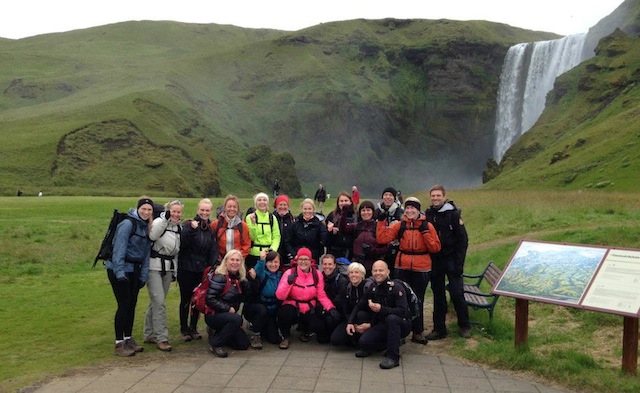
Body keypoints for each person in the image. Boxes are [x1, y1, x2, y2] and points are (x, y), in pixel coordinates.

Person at [376, 197, 441, 345]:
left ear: (418, 210)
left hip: (422, 267)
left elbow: (436, 248)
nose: (410, 211)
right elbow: (382, 238)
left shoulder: (427, 226)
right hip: (402, 266)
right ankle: (401, 332)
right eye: (408, 208)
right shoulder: (401, 225)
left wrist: (425, 233)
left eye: (413, 208)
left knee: (418, 299)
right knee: (400, 300)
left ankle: (418, 332)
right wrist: (380, 222)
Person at [106, 196, 154, 357]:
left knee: (132, 304)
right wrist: (119, 273)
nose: (146, 212)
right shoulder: (127, 224)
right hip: (119, 269)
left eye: (149, 210)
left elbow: (146, 253)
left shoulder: (147, 226)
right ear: (138, 208)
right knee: (124, 304)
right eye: (144, 209)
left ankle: (128, 338)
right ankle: (118, 344)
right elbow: (119, 248)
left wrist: (143, 276)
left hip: (136, 270)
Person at [346, 260, 412, 369]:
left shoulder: (396, 287)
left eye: (381, 270)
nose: (378, 273)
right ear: (371, 272)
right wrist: (350, 322)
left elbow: (403, 311)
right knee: (363, 342)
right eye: (375, 270)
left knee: (392, 318)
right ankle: (391, 343)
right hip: (383, 323)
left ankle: (393, 357)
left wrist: (382, 309)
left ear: (388, 272)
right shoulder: (373, 287)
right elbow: (359, 305)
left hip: (402, 324)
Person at [425, 184, 471, 339]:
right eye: (433, 196)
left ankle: (464, 326)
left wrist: (459, 264)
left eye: (438, 195)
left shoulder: (454, 214)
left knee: (457, 293)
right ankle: (439, 329)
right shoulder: (429, 214)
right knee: (438, 296)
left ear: (444, 196)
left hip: (452, 259)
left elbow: (463, 240)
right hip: (436, 260)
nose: (435, 198)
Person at [275, 248, 339, 349]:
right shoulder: (289, 273)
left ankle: (305, 331)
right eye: (301, 259)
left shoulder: (317, 274)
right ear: (297, 260)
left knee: (319, 327)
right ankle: (285, 336)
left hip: (309, 307)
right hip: (292, 305)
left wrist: (330, 308)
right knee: (284, 313)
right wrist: (288, 283)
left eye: (306, 259)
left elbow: (321, 295)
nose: (303, 262)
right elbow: (279, 296)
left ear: (311, 261)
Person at [143, 199, 183, 352]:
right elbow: (153, 236)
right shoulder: (160, 222)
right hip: (154, 266)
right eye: (173, 211)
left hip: (169, 267)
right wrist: (165, 220)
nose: (176, 214)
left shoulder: (178, 227)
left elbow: (176, 252)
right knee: (159, 302)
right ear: (168, 210)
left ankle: (148, 334)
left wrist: (175, 272)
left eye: (178, 212)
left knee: (156, 301)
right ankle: (162, 338)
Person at [177, 198, 218, 342]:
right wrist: (191, 231)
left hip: (201, 270)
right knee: (186, 299)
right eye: (202, 210)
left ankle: (193, 328)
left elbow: (213, 249)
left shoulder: (211, 229)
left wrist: (212, 265)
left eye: (207, 210)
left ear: (210, 211)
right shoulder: (189, 225)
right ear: (197, 210)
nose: (204, 212)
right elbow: (182, 245)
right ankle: (184, 329)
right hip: (186, 268)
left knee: (198, 298)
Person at [204, 249, 251, 357]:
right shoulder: (220, 277)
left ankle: (219, 333)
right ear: (226, 261)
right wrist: (227, 308)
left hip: (230, 317)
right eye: (232, 260)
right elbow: (209, 299)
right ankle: (215, 343)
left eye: (238, 260)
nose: (235, 263)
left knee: (243, 344)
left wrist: (247, 283)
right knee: (237, 320)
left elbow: (246, 297)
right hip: (214, 315)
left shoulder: (240, 278)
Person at [245, 250, 283, 349]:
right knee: (262, 310)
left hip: (272, 310)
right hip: (258, 308)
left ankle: (265, 328)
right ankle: (256, 334)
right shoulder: (262, 273)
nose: (273, 264)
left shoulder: (281, 275)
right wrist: (261, 259)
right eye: (270, 262)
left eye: (276, 262)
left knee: (274, 339)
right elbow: (256, 270)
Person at [330, 262, 373, 348]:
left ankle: (361, 340)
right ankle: (353, 339)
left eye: (357, 272)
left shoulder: (369, 287)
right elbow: (345, 309)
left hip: (367, 319)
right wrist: (351, 322)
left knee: (361, 314)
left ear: (362, 274)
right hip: (351, 318)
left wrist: (370, 324)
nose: (354, 275)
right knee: (335, 340)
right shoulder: (346, 288)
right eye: (351, 272)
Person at [317, 254, 349, 343]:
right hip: (324, 308)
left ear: (334, 265)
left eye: (330, 264)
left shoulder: (341, 280)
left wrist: (328, 307)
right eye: (325, 264)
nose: (327, 267)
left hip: (337, 311)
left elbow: (340, 301)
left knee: (331, 320)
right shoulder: (319, 277)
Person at [211, 195, 251, 262]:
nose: (232, 209)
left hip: (237, 262)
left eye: (234, 207)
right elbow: (212, 243)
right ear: (225, 208)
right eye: (229, 206)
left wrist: (238, 258)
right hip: (220, 261)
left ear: (238, 209)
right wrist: (217, 258)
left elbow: (246, 245)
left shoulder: (243, 226)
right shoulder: (216, 224)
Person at [246, 192, 281, 270]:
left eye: (264, 200)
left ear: (267, 203)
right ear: (256, 203)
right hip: (253, 255)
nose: (262, 202)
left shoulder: (272, 218)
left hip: (269, 255)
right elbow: (251, 237)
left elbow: (276, 236)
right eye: (259, 200)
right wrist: (253, 224)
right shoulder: (249, 217)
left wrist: (272, 250)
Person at [285, 198, 327, 263]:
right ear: (302, 209)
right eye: (305, 209)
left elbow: (324, 241)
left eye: (309, 209)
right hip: (297, 258)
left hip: (313, 259)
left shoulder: (319, 225)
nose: (307, 211)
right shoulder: (295, 224)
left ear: (313, 210)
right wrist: (294, 254)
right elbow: (288, 242)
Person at [352, 200, 388, 276]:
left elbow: (385, 248)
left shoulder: (378, 227)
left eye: (368, 210)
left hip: (372, 265)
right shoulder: (356, 226)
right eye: (363, 210)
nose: (366, 213)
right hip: (357, 264)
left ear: (373, 212)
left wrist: (372, 250)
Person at [375, 187, 404, 267]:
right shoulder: (376, 212)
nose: (388, 197)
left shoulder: (400, 212)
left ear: (394, 198)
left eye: (390, 195)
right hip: (379, 250)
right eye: (385, 195)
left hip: (395, 250)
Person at [325, 192, 357, 259]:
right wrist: (330, 232)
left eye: (346, 201)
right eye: (341, 201)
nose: (343, 203)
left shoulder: (356, 216)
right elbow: (326, 241)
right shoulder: (332, 216)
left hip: (350, 253)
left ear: (350, 202)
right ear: (338, 203)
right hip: (335, 253)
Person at [273, 194, 295, 265]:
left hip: (288, 254)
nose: (283, 207)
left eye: (285, 205)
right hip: (274, 253)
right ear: (276, 206)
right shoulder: (271, 218)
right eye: (280, 204)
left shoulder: (293, 220)